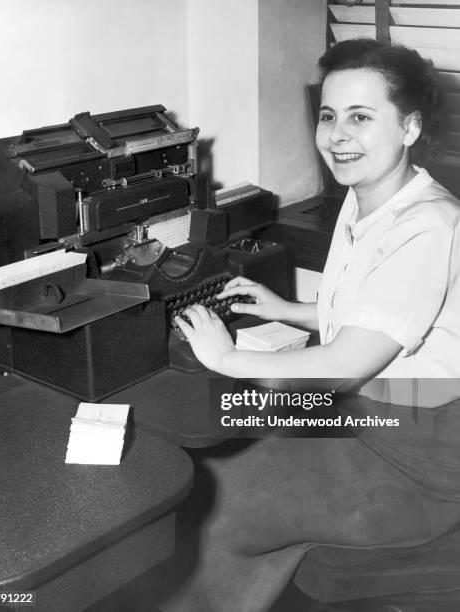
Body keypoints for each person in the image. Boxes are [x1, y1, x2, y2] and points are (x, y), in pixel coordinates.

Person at [162, 39, 460, 612]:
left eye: (361, 117)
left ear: (410, 126)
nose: (337, 136)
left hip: (418, 452)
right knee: (221, 455)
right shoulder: (368, 194)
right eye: (328, 116)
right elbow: (377, 311)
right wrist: (288, 310)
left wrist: (227, 359)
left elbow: (348, 360)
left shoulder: (431, 225)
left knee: (217, 503)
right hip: (373, 412)